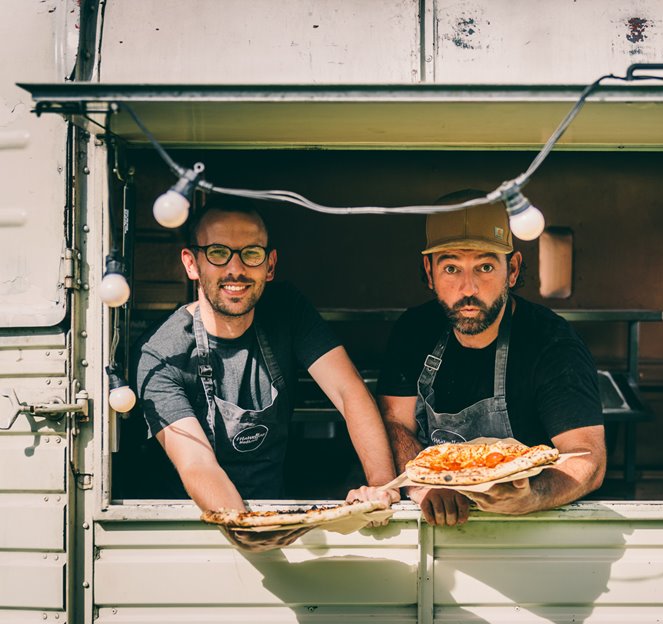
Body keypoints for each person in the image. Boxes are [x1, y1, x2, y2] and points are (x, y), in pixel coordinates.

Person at [136, 199, 399, 550]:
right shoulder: (159, 352)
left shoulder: (287, 310)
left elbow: (349, 393)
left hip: (274, 516)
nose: (236, 269)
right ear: (192, 263)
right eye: (217, 252)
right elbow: (197, 464)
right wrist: (248, 529)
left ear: (270, 264)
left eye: (251, 253)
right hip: (191, 532)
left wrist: (381, 486)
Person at [377, 190, 607, 525]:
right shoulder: (413, 330)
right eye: (451, 267)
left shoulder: (551, 344)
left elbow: (587, 457)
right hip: (436, 526)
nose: (468, 288)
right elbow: (395, 422)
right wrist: (423, 485)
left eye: (485, 266)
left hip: (532, 527)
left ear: (512, 270)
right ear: (429, 272)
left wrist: (531, 495)